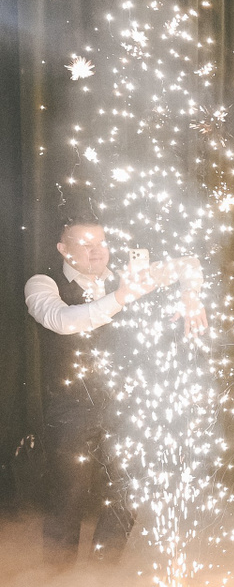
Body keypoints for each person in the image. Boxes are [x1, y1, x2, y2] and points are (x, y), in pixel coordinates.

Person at [24, 217, 202, 566]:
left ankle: (101, 574)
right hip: (71, 406)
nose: (96, 251)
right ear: (63, 249)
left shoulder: (128, 275)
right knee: (69, 492)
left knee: (129, 488)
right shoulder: (43, 282)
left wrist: (190, 296)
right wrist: (121, 297)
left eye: (101, 242)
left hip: (126, 403)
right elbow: (63, 321)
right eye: (85, 243)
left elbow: (189, 263)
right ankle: (56, 578)